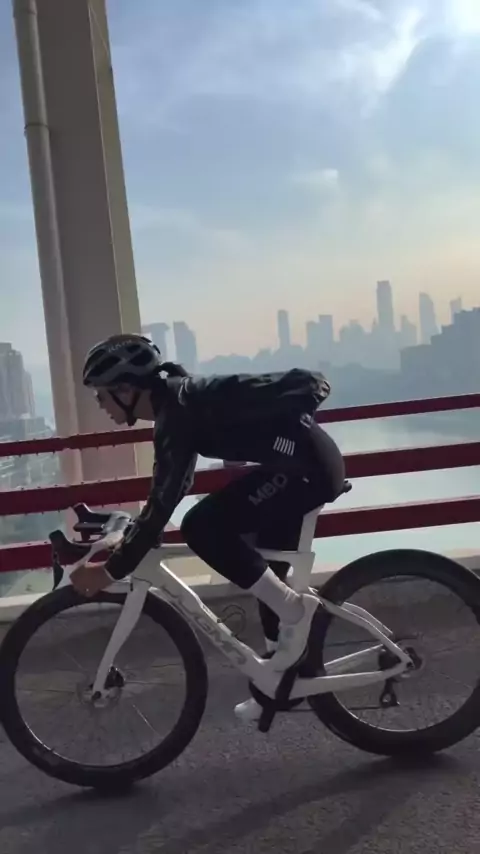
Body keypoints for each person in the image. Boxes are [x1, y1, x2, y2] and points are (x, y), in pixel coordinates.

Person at [71, 333, 346, 722]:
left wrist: (111, 571)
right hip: (294, 467)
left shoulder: (180, 408)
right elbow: (166, 491)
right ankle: (278, 679)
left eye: (102, 395)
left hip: (307, 470)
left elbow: (165, 498)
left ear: (126, 390)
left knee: (202, 525)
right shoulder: (177, 403)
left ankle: (296, 613)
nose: (100, 405)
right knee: (266, 574)